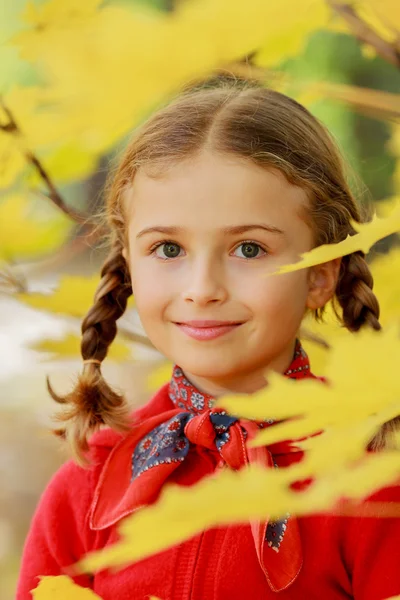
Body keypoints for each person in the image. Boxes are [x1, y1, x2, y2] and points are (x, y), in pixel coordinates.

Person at [16, 80, 400, 600]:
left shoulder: (373, 482)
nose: (202, 290)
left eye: (248, 248)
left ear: (319, 274)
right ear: (128, 263)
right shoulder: (88, 487)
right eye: (168, 248)